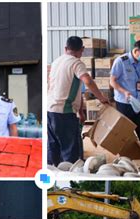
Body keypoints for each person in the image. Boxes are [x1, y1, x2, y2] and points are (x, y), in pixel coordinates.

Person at [47, 36, 109, 166]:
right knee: (71, 151)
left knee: (54, 149)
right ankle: (71, 172)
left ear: (65, 48)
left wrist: (80, 112)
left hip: (50, 111)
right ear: (82, 49)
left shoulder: (56, 61)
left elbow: (76, 91)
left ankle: (55, 171)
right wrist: (102, 98)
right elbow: (88, 80)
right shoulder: (76, 63)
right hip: (64, 113)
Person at [110, 39, 140, 144]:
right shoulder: (121, 61)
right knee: (125, 132)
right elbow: (112, 81)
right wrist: (124, 91)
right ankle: (126, 155)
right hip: (125, 102)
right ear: (136, 50)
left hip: (139, 100)